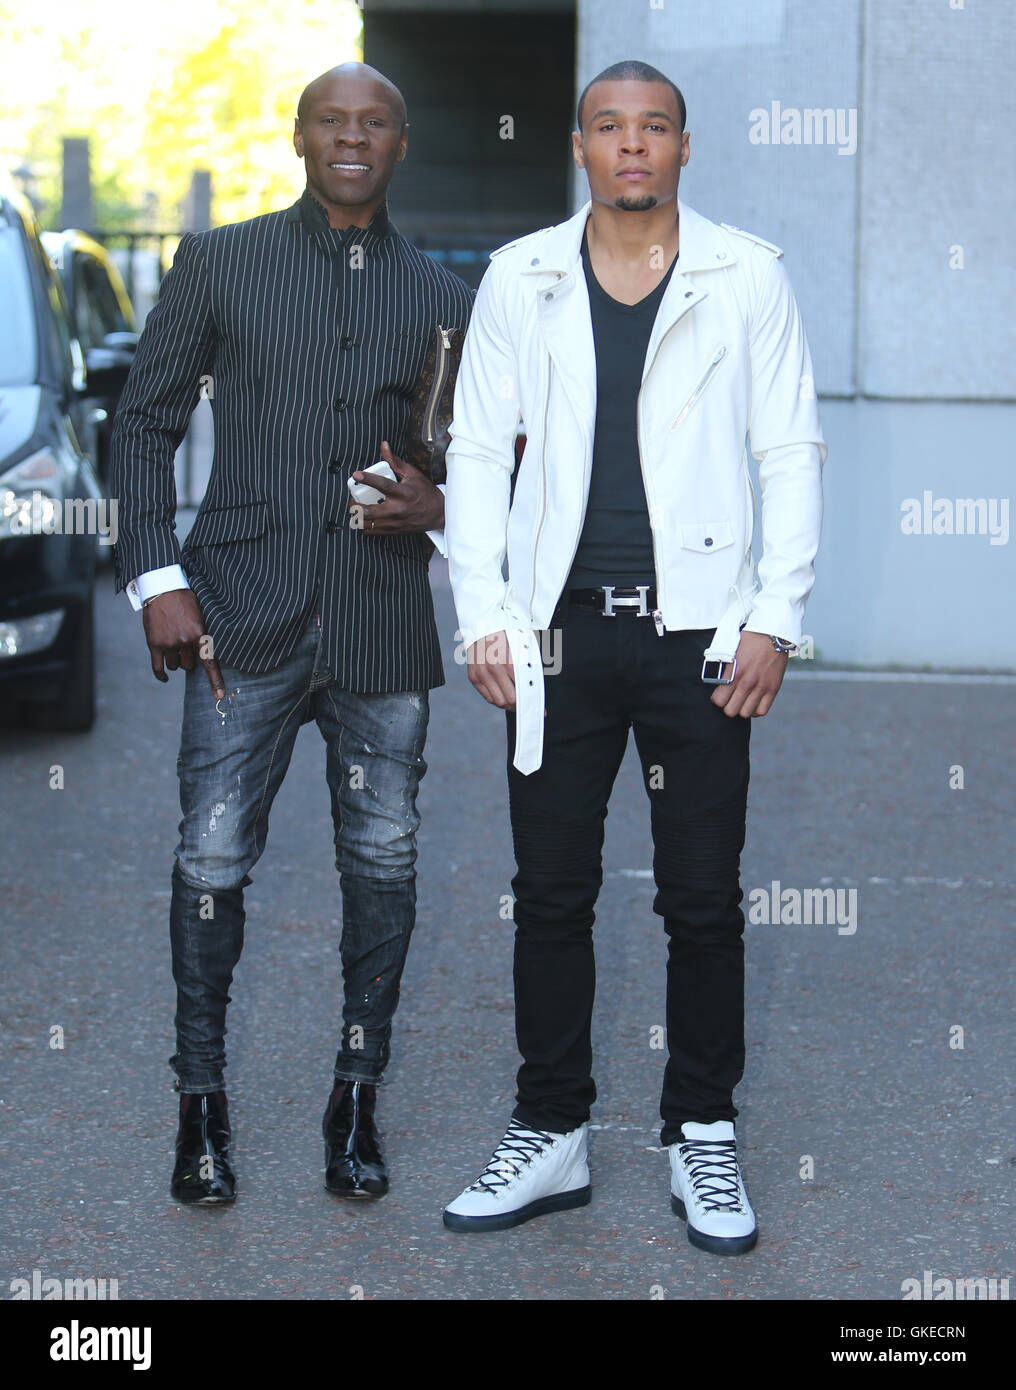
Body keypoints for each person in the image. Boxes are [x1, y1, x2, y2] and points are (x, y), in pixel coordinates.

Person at [442, 60, 825, 1252]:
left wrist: (773, 615)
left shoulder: (744, 274)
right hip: (555, 637)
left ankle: (698, 1130)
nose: (631, 146)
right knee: (551, 894)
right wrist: (485, 613)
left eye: (652, 127)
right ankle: (549, 1129)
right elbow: (471, 453)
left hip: (699, 637)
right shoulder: (523, 276)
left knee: (701, 900)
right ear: (579, 145)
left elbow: (789, 452)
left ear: (682, 147)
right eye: (608, 127)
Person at [109, 62, 473, 1204]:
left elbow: (484, 455)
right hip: (237, 615)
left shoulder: (443, 293)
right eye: (331, 120)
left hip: (379, 621)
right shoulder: (221, 262)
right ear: (300, 135)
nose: (350, 137)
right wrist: (156, 576)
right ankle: (201, 1103)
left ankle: (355, 1096)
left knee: (383, 860)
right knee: (212, 858)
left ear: (400, 142)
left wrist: (443, 504)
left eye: (373, 122)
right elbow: (145, 420)